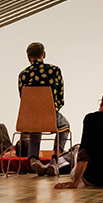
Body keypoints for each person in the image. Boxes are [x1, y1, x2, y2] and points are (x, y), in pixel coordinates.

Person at [18, 42, 72, 176]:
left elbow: (23, 99)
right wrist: (52, 110)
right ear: (44, 54)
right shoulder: (55, 70)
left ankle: (33, 158)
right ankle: (55, 158)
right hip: (50, 115)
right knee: (65, 125)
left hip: (31, 118)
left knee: (35, 124)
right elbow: (60, 97)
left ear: (28, 57)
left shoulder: (23, 75)